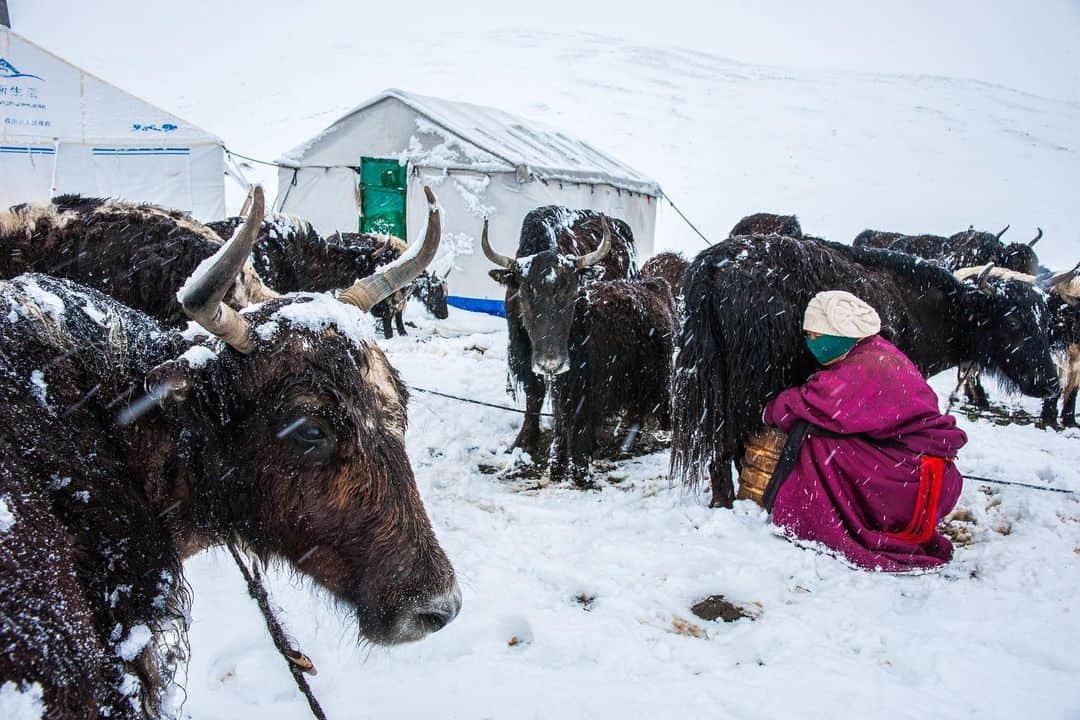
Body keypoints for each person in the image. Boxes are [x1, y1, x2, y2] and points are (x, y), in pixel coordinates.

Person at [762, 290, 968, 572]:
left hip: (915, 484)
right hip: (927, 473)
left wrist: (770, 409)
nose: (810, 343)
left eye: (815, 335)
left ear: (839, 334)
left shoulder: (864, 367)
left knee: (817, 443)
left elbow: (808, 404)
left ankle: (823, 518)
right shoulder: (876, 351)